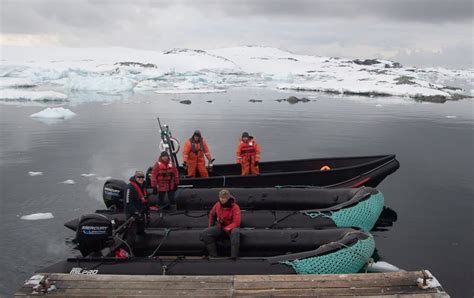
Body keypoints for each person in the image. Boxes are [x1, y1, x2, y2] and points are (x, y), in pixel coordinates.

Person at [200, 189, 241, 259]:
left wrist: (227, 228)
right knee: (205, 233)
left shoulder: (235, 207)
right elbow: (212, 215)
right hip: (221, 227)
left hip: (231, 228)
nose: (222, 199)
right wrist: (210, 227)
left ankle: (233, 256)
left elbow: (237, 222)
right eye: (220, 197)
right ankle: (214, 256)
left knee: (236, 232)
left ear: (228, 198)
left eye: (224, 198)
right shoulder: (217, 205)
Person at [124, 170, 148, 249]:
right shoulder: (129, 187)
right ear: (135, 177)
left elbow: (144, 199)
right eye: (139, 177)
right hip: (132, 214)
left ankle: (141, 248)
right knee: (132, 234)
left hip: (140, 213)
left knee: (141, 231)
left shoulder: (143, 186)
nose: (141, 179)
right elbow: (128, 203)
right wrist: (136, 212)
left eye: (142, 177)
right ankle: (129, 249)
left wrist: (145, 211)